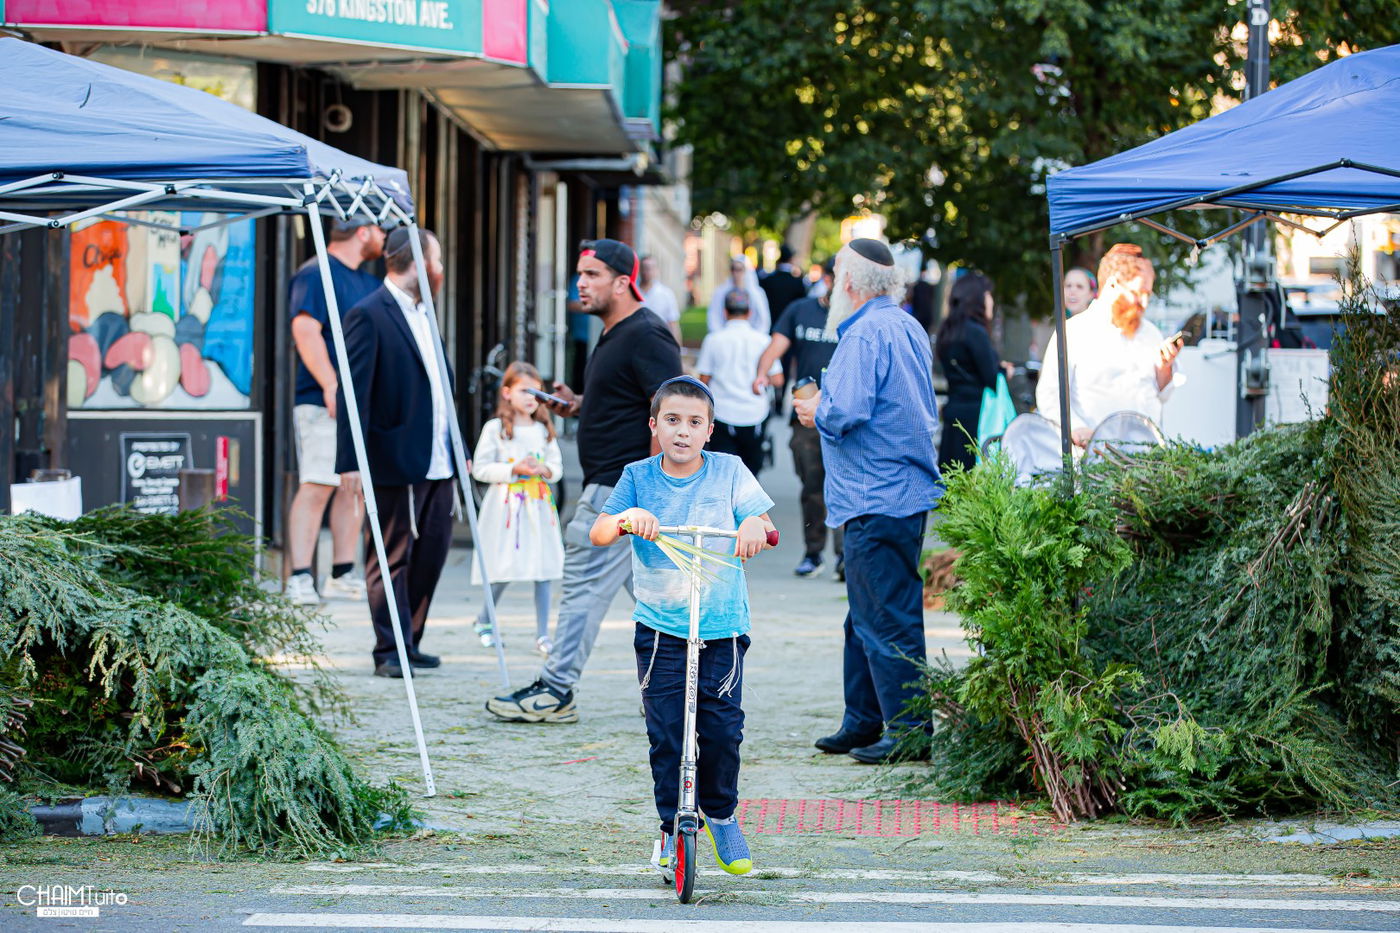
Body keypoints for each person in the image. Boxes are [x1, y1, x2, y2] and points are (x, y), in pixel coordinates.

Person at [486, 238, 682, 723]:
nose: (581, 283)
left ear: (622, 282)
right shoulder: (614, 333)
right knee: (667, 597)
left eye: (592, 275)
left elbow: (673, 414)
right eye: (580, 274)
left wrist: (653, 492)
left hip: (620, 492)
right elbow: (628, 404)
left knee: (581, 588)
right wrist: (576, 404)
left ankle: (555, 691)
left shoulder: (646, 335)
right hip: (616, 486)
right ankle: (690, 691)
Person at [588, 375, 777, 877]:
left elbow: (759, 519)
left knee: (721, 731)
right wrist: (629, 516)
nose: (682, 432)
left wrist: (754, 525)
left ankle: (720, 812)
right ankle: (672, 824)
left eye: (694, 423)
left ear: (710, 430)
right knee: (667, 733)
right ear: (655, 426)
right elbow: (600, 531)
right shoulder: (637, 476)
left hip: (722, 625)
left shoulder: (731, 471)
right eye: (672, 420)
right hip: (660, 628)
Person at [793, 238, 941, 765]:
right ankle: (863, 719)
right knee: (865, 614)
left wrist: (815, 409)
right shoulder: (905, 324)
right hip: (895, 493)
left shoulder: (864, 333)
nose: (833, 283)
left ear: (851, 282)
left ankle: (908, 733)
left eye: (836, 273)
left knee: (884, 616)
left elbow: (846, 410)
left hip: (876, 494)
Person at [335, 227, 454, 679]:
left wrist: (457, 446)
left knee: (433, 554)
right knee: (391, 555)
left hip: (438, 459)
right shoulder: (369, 314)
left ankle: (411, 639)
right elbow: (354, 393)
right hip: (394, 457)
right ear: (420, 264)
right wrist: (349, 460)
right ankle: (389, 649)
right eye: (437, 260)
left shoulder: (426, 312)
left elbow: (440, 389)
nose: (441, 269)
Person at [284, 218, 384, 605]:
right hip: (322, 399)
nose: (383, 239)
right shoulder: (315, 273)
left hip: (359, 402)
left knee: (352, 486)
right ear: (362, 232)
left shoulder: (370, 282)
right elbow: (305, 330)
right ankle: (299, 577)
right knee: (318, 483)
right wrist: (331, 384)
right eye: (379, 231)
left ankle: (342, 572)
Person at [1036, 244, 1184, 447]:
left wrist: (1164, 367)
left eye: (1148, 294)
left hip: (1146, 457)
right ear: (1113, 284)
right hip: (1094, 458)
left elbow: (1162, 394)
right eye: (1138, 291)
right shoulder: (1074, 332)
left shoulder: (1150, 332)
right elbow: (1049, 394)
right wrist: (1076, 428)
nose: (1144, 301)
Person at [469, 361, 565, 656]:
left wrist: (544, 470)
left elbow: (557, 467)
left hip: (538, 505)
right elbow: (481, 468)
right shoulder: (496, 429)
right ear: (507, 392)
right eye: (524, 390)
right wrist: (514, 469)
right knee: (504, 565)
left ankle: (542, 633)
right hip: (507, 507)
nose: (530, 397)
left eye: (536, 392)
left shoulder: (544, 429)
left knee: (544, 568)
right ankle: (485, 618)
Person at [753, 258, 842, 578]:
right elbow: (776, 345)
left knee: (842, 486)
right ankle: (814, 553)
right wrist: (762, 373)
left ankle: (845, 556)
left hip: (846, 413)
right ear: (829, 280)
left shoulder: (857, 317)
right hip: (805, 412)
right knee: (812, 486)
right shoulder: (801, 310)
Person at [696, 290, 780, 476]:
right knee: (750, 474)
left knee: (723, 474)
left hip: (723, 413)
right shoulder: (763, 340)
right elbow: (778, 378)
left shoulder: (713, 340)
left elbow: (704, 380)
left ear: (725, 312)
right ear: (749, 313)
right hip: (755, 413)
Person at [934, 272, 1002, 473]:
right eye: (988, 295)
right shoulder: (975, 331)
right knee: (971, 481)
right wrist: (1003, 371)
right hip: (976, 417)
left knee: (952, 479)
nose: (991, 301)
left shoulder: (948, 329)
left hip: (954, 410)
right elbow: (990, 377)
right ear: (978, 297)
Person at [707, 256, 770, 335]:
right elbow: (714, 317)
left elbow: (763, 320)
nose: (736, 273)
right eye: (733, 269)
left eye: (739, 270)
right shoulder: (720, 292)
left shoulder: (757, 293)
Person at [758, 244, 807, 326]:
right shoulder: (797, 282)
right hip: (788, 325)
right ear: (791, 259)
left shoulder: (768, 280)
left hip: (769, 323)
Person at [640, 255, 682, 344]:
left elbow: (673, 324)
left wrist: (677, 349)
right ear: (640, 270)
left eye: (651, 268)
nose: (647, 271)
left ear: (656, 270)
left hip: (659, 342)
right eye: (645, 268)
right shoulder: (631, 293)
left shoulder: (666, 294)